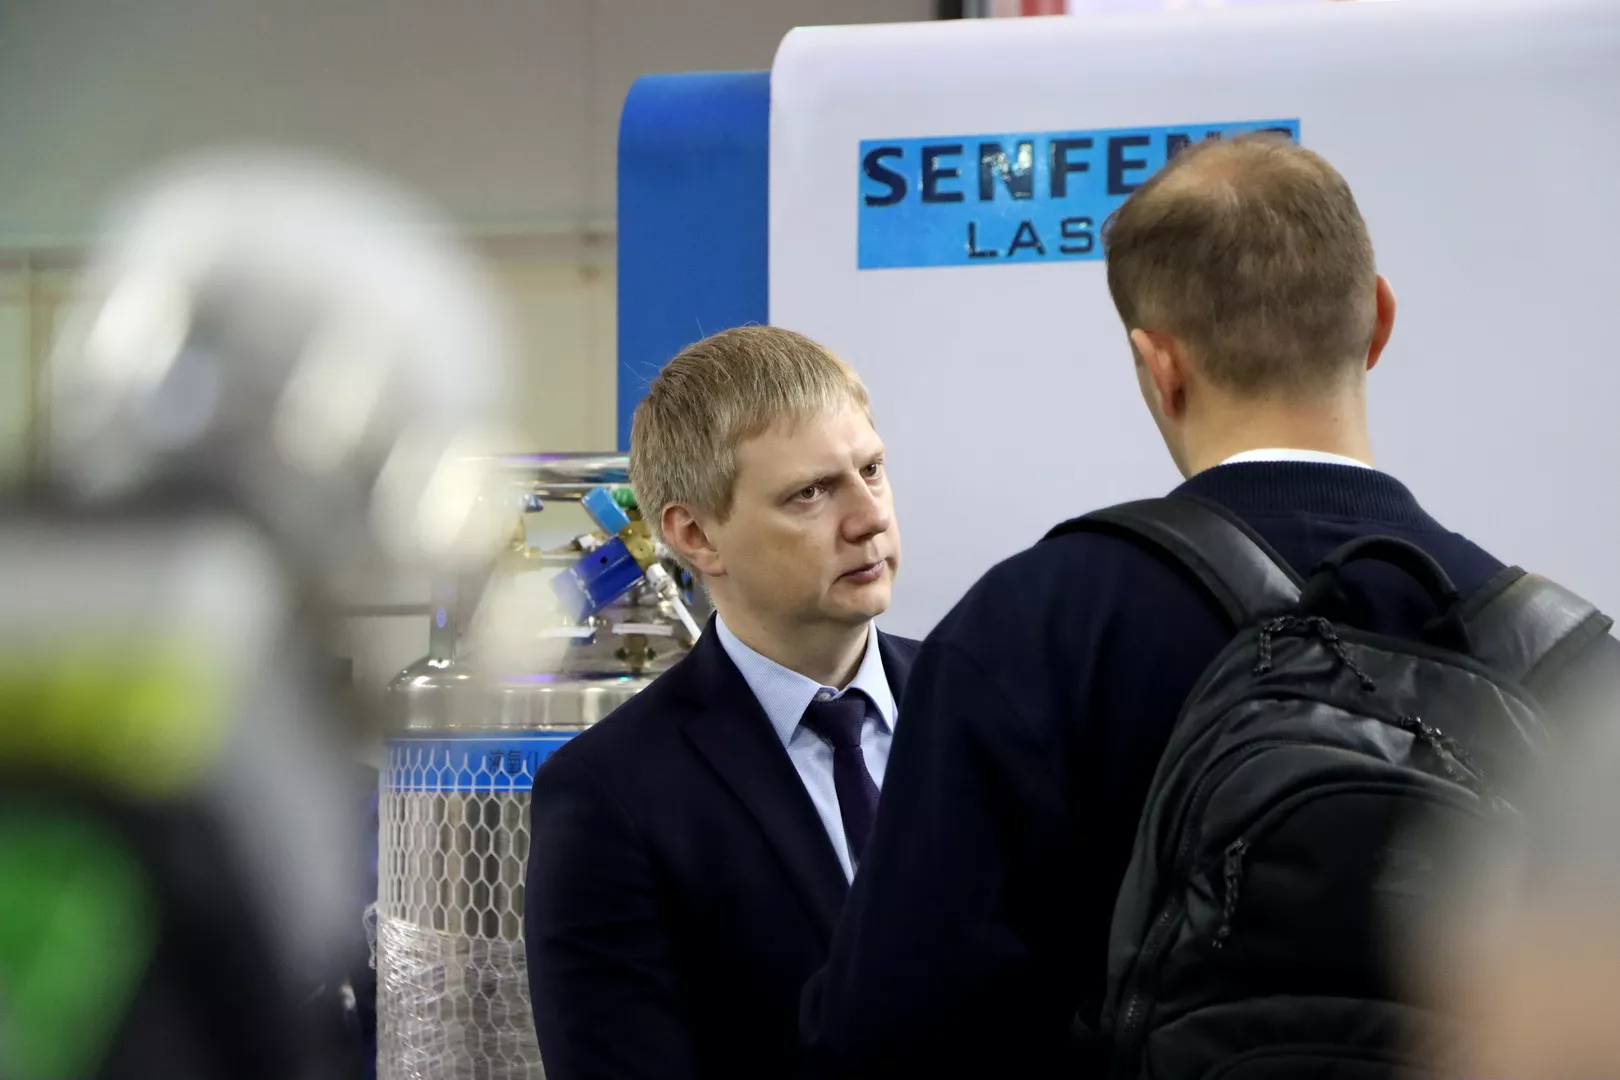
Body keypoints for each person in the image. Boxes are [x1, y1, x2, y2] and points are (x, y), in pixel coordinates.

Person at [797, 134, 1570, 1077]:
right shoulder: (1562, 660)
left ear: (1158, 364)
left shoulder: (1034, 629)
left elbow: (889, 1031)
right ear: (1378, 319)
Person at [524, 325, 917, 1080]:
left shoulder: (992, 712)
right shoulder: (609, 797)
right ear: (696, 534)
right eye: (810, 493)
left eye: (871, 470)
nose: (869, 517)